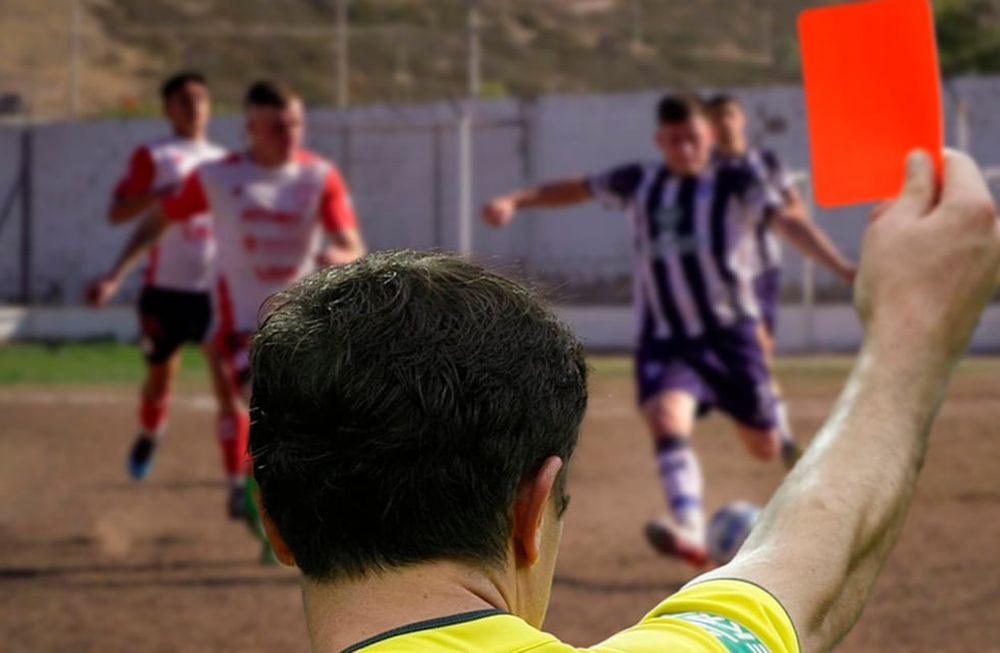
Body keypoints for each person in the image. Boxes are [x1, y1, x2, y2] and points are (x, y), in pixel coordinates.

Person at [248, 148, 999, 653]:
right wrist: (911, 334)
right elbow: (816, 558)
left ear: (274, 520)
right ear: (530, 509)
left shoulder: (723, 182)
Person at [481, 94, 856, 566]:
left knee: (760, 445)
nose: (684, 149)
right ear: (662, 140)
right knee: (664, 417)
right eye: (674, 140)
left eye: (693, 139)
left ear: (709, 138)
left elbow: (790, 224)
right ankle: (691, 529)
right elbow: (576, 188)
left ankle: (784, 449)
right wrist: (517, 199)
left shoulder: (737, 181)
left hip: (729, 335)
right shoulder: (641, 182)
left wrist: (841, 267)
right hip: (667, 339)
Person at [88, 80, 366, 520]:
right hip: (239, 326)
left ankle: (260, 492)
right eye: (277, 127)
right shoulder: (216, 176)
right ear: (251, 127)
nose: (289, 135)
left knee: (316, 414)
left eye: (295, 124)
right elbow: (155, 221)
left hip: (304, 322)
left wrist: (343, 256)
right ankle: (251, 487)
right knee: (261, 401)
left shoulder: (319, 175)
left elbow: (353, 245)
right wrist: (114, 275)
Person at [88, 70, 228, 482]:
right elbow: (117, 211)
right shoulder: (155, 156)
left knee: (227, 382)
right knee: (160, 377)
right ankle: (151, 432)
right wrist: (158, 196)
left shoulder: (224, 162)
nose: (194, 106)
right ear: (168, 109)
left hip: (213, 292)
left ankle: (239, 481)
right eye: (184, 99)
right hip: (165, 290)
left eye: (201, 98)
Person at [706, 92, 856, 468]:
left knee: (761, 358)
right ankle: (786, 441)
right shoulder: (702, 168)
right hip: (722, 277)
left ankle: (767, 423)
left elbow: (793, 209)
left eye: (728, 114)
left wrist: (793, 221)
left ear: (741, 119)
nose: (723, 123)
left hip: (764, 275)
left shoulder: (767, 161)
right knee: (755, 353)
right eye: (715, 117)